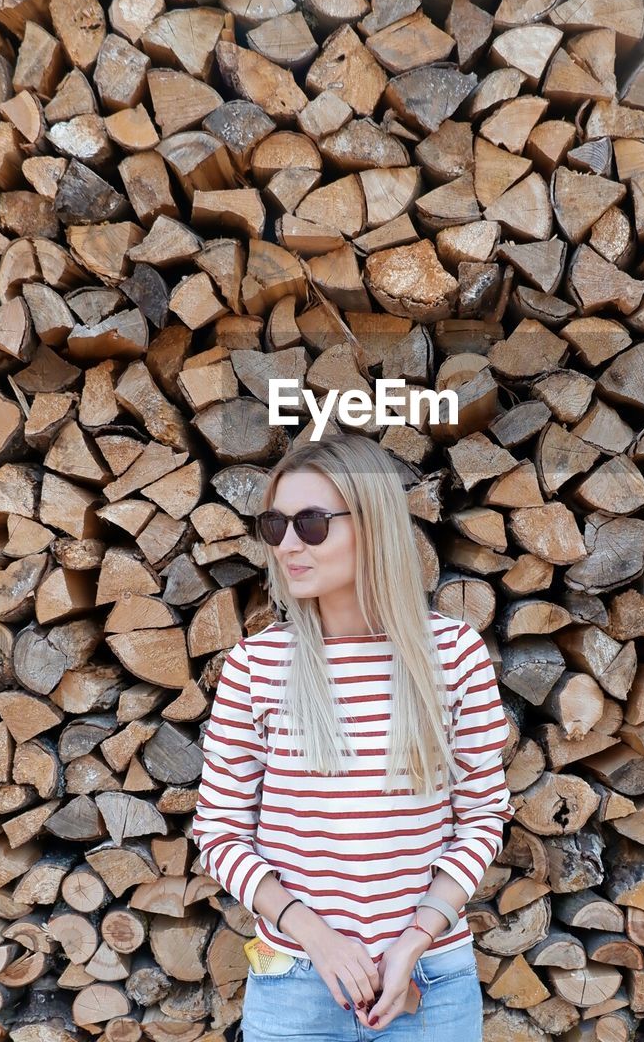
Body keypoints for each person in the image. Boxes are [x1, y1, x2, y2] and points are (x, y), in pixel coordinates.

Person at [190, 431, 514, 1040]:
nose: (289, 544)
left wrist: (414, 942)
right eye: (275, 524)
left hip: (429, 985)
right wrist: (318, 937)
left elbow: (481, 819)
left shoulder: (452, 654)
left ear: (372, 525)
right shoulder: (257, 664)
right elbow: (220, 831)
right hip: (296, 985)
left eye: (312, 523)